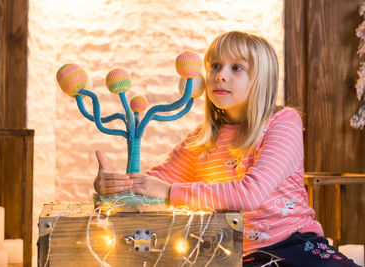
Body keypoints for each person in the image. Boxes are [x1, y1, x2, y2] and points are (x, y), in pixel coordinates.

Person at [94, 31, 360, 266]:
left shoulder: (282, 123)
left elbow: (250, 194)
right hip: (237, 254)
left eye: (237, 68)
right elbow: (151, 183)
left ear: (260, 79)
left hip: (296, 243)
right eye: (215, 66)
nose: (220, 75)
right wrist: (113, 185)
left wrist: (169, 192)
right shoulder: (200, 139)